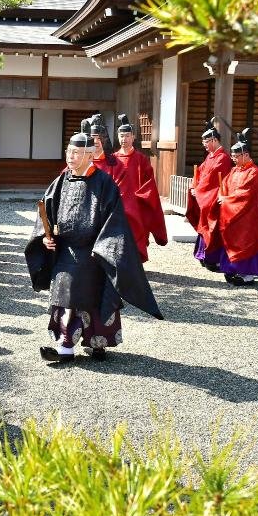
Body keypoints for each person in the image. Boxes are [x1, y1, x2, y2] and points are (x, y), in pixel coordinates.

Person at [24, 128, 162, 365]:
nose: (70, 157)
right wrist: (45, 238)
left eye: (76, 153)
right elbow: (47, 213)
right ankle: (65, 346)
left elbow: (114, 221)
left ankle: (97, 341)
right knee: (66, 294)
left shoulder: (104, 183)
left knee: (93, 294)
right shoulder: (61, 181)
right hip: (65, 251)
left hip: (94, 251)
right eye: (68, 152)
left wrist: (102, 249)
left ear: (90, 154)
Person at [206, 129, 258, 286]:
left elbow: (246, 195)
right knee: (231, 241)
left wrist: (226, 200)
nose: (233, 159)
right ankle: (232, 269)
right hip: (232, 213)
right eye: (232, 156)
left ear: (246, 155)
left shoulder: (256, 173)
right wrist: (222, 197)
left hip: (249, 216)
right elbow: (224, 186)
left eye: (236, 156)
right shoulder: (234, 170)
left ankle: (248, 274)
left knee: (247, 243)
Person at [114, 114, 169, 255]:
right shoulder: (113, 159)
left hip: (136, 205)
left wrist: (136, 199)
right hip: (117, 205)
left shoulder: (141, 159)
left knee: (136, 236)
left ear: (133, 137)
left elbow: (149, 184)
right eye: (121, 135)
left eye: (127, 136)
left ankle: (136, 267)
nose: (124, 139)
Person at [186, 119, 233, 272]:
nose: (204, 144)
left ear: (214, 140)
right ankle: (204, 255)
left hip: (215, 199)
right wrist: (194, 187)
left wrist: (198, 190)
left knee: (213, 229)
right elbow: (200, 173)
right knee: (205, 227)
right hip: (206, 197)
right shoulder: (210, 157)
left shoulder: (223, 158)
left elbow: (212, 181)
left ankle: (214, 259)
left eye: (206, 141)